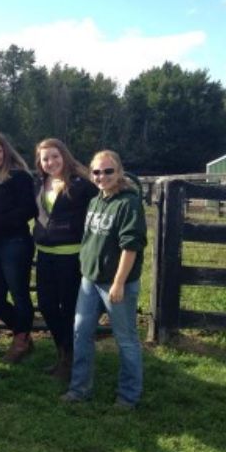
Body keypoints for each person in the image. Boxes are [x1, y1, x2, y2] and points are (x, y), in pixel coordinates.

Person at [61, 150, 147, 410]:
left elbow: (130, 246)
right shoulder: (97, 200)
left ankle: (128, 396)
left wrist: (120, 282)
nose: (102, 177)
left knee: (126, 339)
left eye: (108, 171)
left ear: (119, 171)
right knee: (81, 333)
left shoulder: (128, 203)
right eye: (96, 172)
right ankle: (79, 388)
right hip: (90, 280)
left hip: (115, 284)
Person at [34, 138, 98, 380]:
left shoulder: (82, 185)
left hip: (71, 256)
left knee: (69, 308)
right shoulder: (41, 183)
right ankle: (62, 352)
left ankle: (68, 359)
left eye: (54, 157)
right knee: (47, 305)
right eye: (45, 158)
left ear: (65, 156)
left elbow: (103, 200)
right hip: (45, 254)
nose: (50, 162)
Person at [0, 133, 37, 363]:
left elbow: (29, 209)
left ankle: (20, 341)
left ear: (6, 151)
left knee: (19, 293)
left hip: (16, 243)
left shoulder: (19, 177)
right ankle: (23, 333)